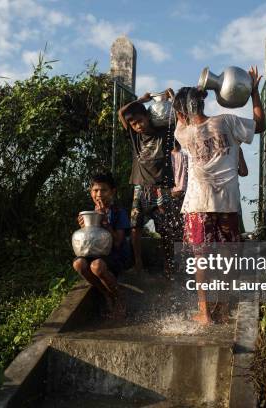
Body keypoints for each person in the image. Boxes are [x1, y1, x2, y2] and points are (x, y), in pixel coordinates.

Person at [173, 66, 265, 325]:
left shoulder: (182, 134)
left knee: (201, 259)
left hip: (197, 205)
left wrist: (192, 93)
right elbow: (259, 124)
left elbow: (182, 116)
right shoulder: (227, 122)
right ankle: (223, 309)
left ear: (180, 112)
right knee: (227, 258)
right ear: (201, 104)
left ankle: (204, 312)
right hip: (227, 204)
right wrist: (254, 91)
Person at [118, 89, 176, 278]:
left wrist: (172, 100)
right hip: (140, 187)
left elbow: (180, 119)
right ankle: (138, 264)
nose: (137, 126)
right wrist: (140, 100)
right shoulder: (135, 137)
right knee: (135, 227)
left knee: (165, 229)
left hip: (161, 187)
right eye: (133, 124)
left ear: (148, 117)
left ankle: (168, 263)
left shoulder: (164, 134)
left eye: (140, 121)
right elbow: (121, 113)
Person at [72, 173, 131, 319]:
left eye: (104, 190)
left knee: (96, 266)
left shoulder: (118, 212)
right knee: (79, 264)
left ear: (112, 192)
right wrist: (84, 228)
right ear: (91, 192)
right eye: (95, 190)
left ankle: (120, 298)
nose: (99, 194)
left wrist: (105, 222)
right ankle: (106, 294)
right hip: (95, 255)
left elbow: (117, 242)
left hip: (117, 255)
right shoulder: (89, 213)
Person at [170, 139, 188, 243]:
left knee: (174, 226)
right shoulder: (186, 155)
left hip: (173, 193)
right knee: (184, 226)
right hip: (185, 193)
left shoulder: (167, 157)